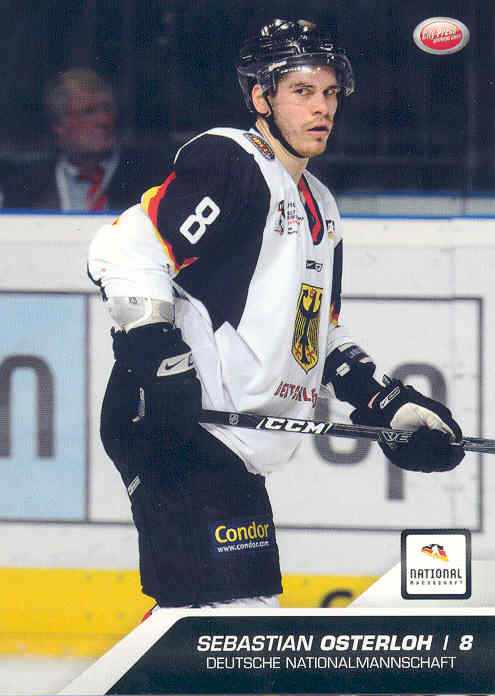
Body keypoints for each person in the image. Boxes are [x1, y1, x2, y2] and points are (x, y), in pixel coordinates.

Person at [87, 19, 465, 609]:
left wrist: (386, 403)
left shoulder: (321, 205)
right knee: (232, 622)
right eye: (302, 91)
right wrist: (159, 355)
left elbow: (316, 332)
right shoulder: (232, 161)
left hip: (228, 443)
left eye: (330, 92)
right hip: (176, 426)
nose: (323, 108)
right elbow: (126, 249)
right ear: (261, 98)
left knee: (211, 624)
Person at [3, 69, 165, 211]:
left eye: (107, 109)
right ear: (59, 124)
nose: (104, 120)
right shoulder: (25, 188)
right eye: (89, 111)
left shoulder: (151, 180)